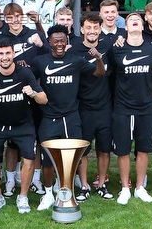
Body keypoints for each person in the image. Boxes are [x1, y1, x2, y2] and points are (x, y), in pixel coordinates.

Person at [33, 24, 105, 210]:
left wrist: (98, 59)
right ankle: (48, 193)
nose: (59, 44)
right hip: (49, 118)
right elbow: (28, 78)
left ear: (67, 42)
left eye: (62, 41)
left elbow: (99, 73)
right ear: (49, 42)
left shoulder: (76, 60)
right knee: (47, 160)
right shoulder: (40, 61)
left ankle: (67, 189)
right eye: (55, 41)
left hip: (71, 117)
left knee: (73, 159)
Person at [0, 39, 48, 214]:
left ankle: (23, 197)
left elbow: (44, 99)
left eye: (8, 53)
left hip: (22, 124)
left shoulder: (25, 74)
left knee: (29, 158)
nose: (5, 57)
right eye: (1, 54)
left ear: (13, 54)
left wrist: (34, 92)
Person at [70, 12, 115, 201]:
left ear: (100, 29)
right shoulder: (74, 50)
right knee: (83, 149)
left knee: (104, 149)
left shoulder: (107, 46)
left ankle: (102, 183)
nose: (92, 31)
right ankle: (84, 186)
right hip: (83, 107)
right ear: (82, 29)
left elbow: (111, 70)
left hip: (105, 106)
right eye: (88, 27)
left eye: (96, 27)